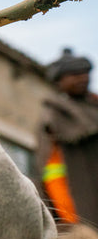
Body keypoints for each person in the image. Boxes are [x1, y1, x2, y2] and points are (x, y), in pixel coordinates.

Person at [35, 47, 98, 228]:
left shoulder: (94, 105)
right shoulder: (55, 113)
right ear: (58, 81)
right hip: (76, 193)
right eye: (73, 74)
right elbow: (49, 168)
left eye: (84, 73)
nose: (82, 78)